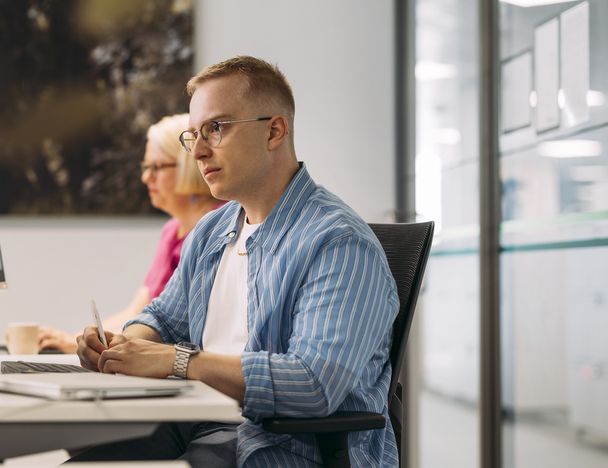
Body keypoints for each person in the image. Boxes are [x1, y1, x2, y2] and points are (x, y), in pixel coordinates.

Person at [72, 56, 399, 467]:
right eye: (194, 135)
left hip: (275, 447)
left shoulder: (339, 243)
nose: (200, 151)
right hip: (194, 423)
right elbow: (163, 319)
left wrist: (178, 361)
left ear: (274, 131)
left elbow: (313, 384)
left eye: (217, 128)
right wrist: (120, 345)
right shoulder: (212, 231)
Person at [32, 114, 221, 353]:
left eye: (156, 167)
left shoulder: (220, 227)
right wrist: (73, 340)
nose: (145, 177)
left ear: (188, 165)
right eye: (145, 167)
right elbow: (136, 313)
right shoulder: (171, 231)